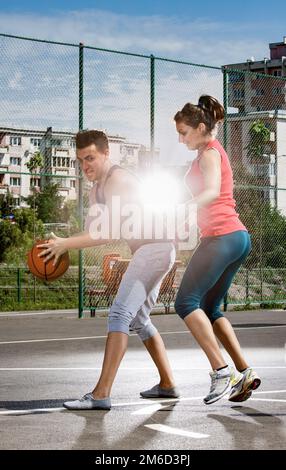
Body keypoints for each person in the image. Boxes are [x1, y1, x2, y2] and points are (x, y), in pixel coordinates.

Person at [38, 129, 179, 410]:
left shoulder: (119, 180)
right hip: (151, 250)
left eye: (90, 158)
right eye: (80, 161)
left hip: (155, 247)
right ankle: (167, 384)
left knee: (119, 314)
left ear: (106, 153)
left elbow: (109, 232)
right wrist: (64, 244)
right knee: (138, 319)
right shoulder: (96, 190)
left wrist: (66, 244)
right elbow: (94, 232)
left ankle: (101, 394)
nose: (85, 165)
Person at [173, 95, 261, 404]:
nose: (181, 139)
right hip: (236, 237)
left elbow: (211, 191)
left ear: (199, 128)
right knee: (209, 309)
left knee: (185, 303)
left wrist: (184, 208)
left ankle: (221, 370)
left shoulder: (209, 152)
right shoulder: (209, 148)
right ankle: (244, 371)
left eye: (184, 133)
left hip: (222, 237)